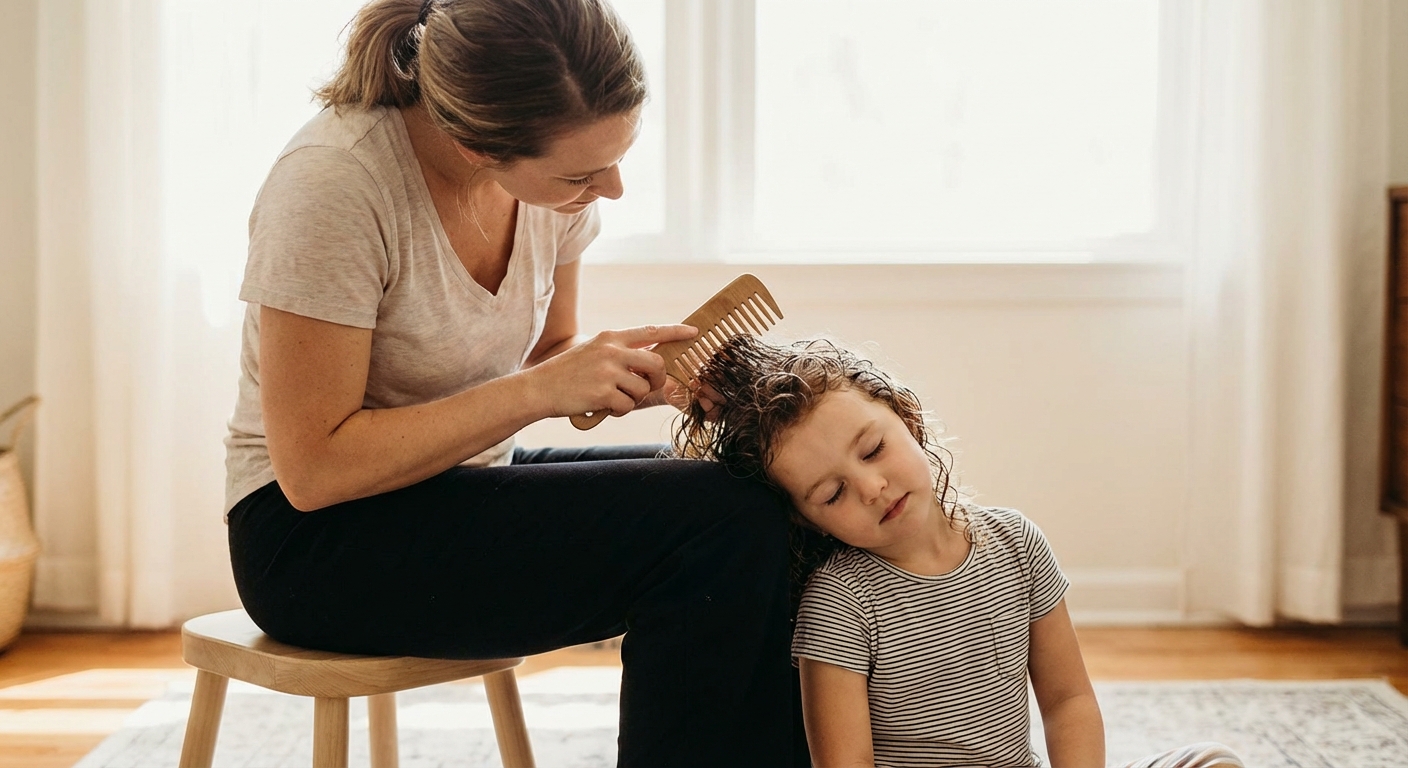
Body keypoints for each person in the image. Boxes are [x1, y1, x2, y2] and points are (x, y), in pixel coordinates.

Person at [221, 1, 805, 765]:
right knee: (715, 526)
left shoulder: (553, 193)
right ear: (473, 145)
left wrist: (629, 376)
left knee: (764, 493)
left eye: (619, 157)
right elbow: (313, 469)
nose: (614, 189)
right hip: (313, 540)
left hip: (456, 482)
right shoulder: (334, 186)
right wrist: (540, 393)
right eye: (584, 173)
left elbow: (547, 352)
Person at [675, 336, 1245, 768]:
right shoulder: (840, 603)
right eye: (833, 493)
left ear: (906, 417)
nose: (872, 487)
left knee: (1213, 762)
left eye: (872, 450)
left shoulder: (1017, 544)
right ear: (807, 518)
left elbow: (1068, 698)